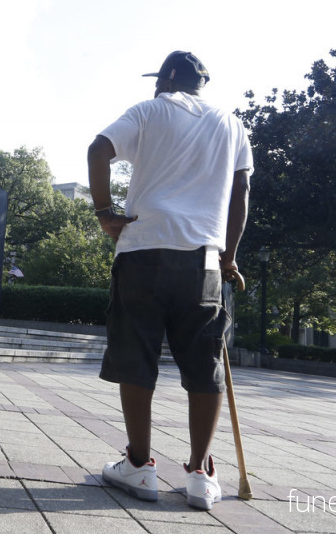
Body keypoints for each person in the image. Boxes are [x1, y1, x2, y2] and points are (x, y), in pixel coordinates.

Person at [86, 50, 252, 510]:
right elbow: (241, 191)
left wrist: (104, 213)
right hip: (203, 259)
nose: (155, 85)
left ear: (170, 76)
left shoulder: (149, 110)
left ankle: (139, 465)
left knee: (136, 356)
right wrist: (229, 256)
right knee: (204, 363)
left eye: (158, 78)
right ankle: (199, 473)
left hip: (143, 249)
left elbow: (98, 150)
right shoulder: (232, 124)